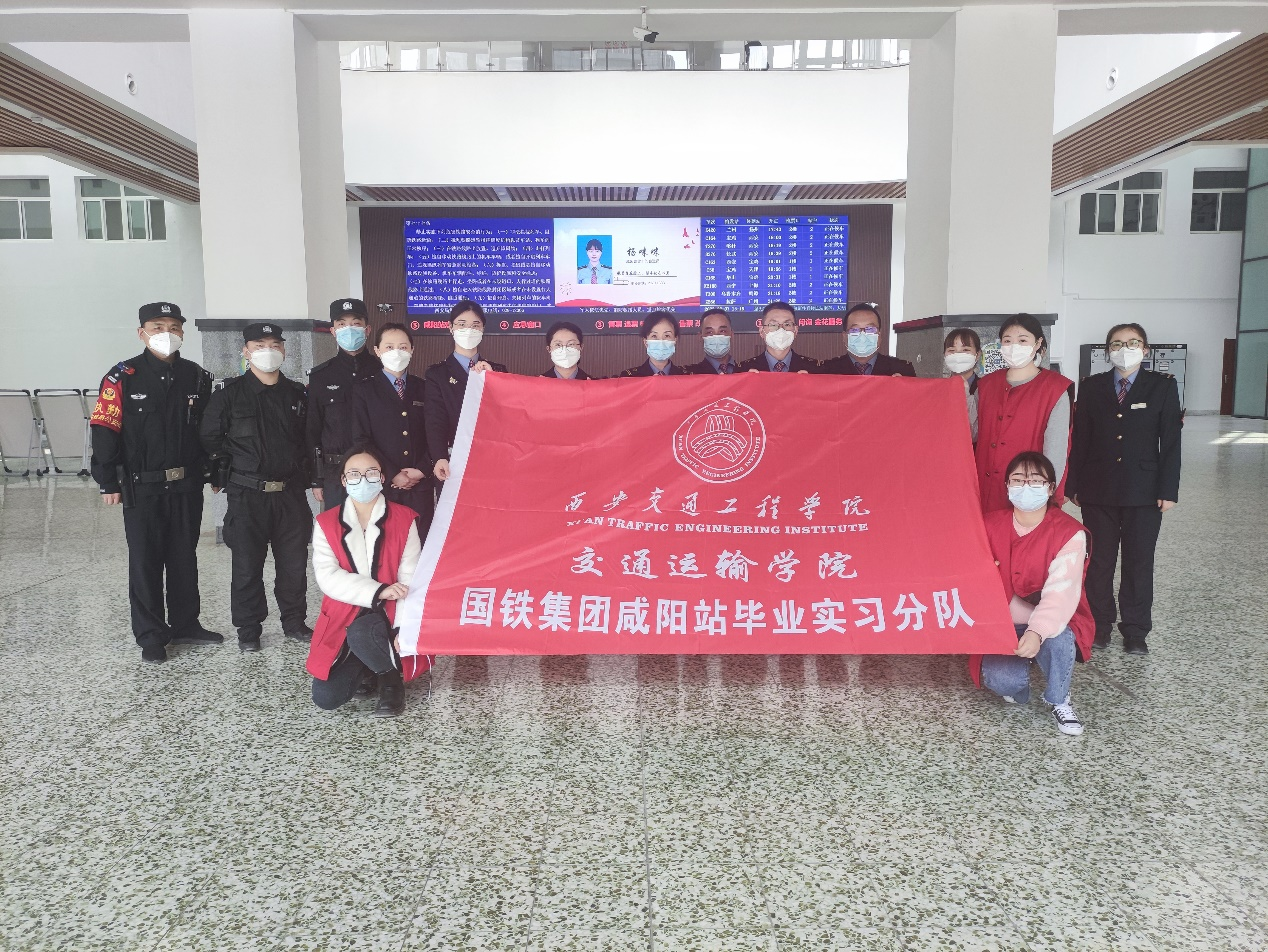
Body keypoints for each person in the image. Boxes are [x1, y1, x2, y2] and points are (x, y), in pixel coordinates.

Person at [89, 301, 221, 664]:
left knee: (184, 557)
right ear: (141, 333)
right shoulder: (121, 377)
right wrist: (107, 480)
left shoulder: (197, 376)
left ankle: (186, 624)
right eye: (157, 326)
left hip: (186, 484)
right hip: (141, 487)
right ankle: (150, 635)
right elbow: (104, 428)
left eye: (173, 327)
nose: (166, 333)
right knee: (146, 561)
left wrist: (214, 471)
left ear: (183, 333)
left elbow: (207, 431)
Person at [1068, 323, 1182, 655]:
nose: (1124, 348)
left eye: (1133, 343)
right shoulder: (1092, 387)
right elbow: (1081, 439)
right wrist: (1074, 485)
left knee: (1138, 562)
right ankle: (1099, 625)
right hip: (1097, 489)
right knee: (1099, 562)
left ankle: (1135, 630)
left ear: (1145, 350)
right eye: (1117, 343)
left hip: (1143, 491)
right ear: (1108, 351)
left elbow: (1170, 442)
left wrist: (1168, 489)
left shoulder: (1162, 386)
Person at [200, 323, 312, 652]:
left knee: (293, 565)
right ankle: (248, 630)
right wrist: (223, 473)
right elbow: (209, 438)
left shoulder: (297, 394)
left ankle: (294, 622)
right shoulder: (228, 395)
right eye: (260, 345)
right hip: (247, 495)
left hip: (290, 494)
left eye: (275, 344)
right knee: (247, 567)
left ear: (284, 350)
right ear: (246, 351)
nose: (268, 351)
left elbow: (307, 441)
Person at [970, 451, 1094, 736]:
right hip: (1002, 622)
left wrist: (1037, 632)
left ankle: (1059, 698)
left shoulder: (1069, 532)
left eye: (1036, 481)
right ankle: (1019, 685)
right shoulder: (988, 525)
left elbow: (1060, 594)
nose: (1026, 487)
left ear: (1050, 488)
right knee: (1002, 681)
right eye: (1018, 480)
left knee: (1060, 640)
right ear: (1007, 486)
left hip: (1051, 619)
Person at [308, 443, 432, 717]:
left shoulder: (404, 519)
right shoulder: (326, 523)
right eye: (354, 474)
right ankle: (368, 666)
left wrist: (403, 629)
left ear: (383, 478)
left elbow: (411, 577)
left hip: (391, 616)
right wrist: (379, 590)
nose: (363, 480)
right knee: (326, 696)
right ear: (344, 480)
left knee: (363, 632)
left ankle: (390, 680)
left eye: (371, 472)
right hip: (345, 614)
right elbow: (327, 576)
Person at [974, 313, 1075, 512]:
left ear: (1038, 343)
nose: (1014, 347)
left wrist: (1044, 493)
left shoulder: (1054, 389)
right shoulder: (986, 385)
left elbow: (1056, 449)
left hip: (1027, 492)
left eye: (1022, 340)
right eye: (1007, 341)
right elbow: (973, 432)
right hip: (982, 486)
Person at [351, 323, 433, 533]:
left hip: (420, 486)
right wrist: (392, 473)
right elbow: (362, 439)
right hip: (382, 484)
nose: (396, 352)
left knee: (420, 541)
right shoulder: (364, 390)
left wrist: (422, 470)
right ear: (377, 351)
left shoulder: (424, 388)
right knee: (384, 541)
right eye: (389, 347)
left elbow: (435, 433)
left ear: (412, 350)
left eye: (403, 347)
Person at [307, 298, 380, 512]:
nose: (349, 329)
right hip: (334, 473)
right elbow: (313, 429)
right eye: (342, 324)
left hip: (376, 470)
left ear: (367, 330)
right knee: (338, 529)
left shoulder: (382, 371)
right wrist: (317, 479)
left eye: (356, 323)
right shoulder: (321, 376)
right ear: (333, 331)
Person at [424, 300, 507, 486]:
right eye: (462, 324)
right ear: (450, 328)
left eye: (475, 325)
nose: (469, 330)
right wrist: (439, 457)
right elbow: (435, 420)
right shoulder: (437, 374)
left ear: (483, 329)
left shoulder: (498, 371)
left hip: (491, 458)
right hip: (453, 460)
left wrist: (493, 380)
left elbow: (506, 415)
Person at [821, 303, 915, 377]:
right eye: (855, 330)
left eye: (870, 329)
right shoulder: (827, 371)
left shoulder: (902, 370)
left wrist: (903, 387)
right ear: (844, 337)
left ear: (879, 335)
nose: (862, 335)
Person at [739, 302, 820, 373]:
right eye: (773, 325)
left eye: (787, 324)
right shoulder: (743, 370)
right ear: (761, 331)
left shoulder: (814, 369)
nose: (781, 329)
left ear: (795, 331)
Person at [619, 312, 692, 376]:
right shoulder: (629, 378)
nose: (661, 342)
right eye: (654, 336)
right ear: (645, 342)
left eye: (667, 336)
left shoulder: (686, 377)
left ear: (675, 340)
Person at [943, 327, 982, 442]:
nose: (958, 355)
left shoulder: (985, 389)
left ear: (977, 354)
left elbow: (975, 434)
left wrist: (963, 393)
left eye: (965, 350)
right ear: (944, 355)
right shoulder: (939, 387)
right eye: (951, 350)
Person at [685, 308, 738, 375]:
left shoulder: (747, 371)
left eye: (722, 331)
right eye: (710, 332)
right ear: (701, 337)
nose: (716, 336)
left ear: (731, 335)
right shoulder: (690, 375)